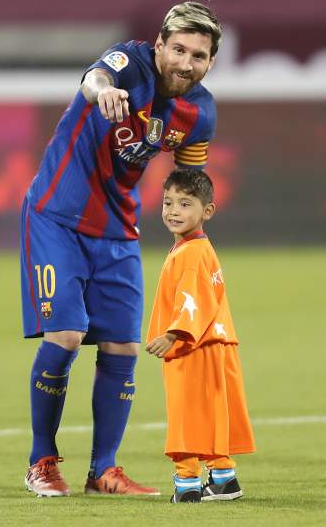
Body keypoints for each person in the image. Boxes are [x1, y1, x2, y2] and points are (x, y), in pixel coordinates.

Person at [20, 1, 221, 497]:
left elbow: (189, 183)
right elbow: (93, 79)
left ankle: (103, 471)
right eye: (178, 49)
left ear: (210, 62)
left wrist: (193, 246)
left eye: (199, 55)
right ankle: (40, 462)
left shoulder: (201, 113)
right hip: (57, 216)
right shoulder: (127, 64)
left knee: (124, 347)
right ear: (160, 45)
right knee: (66, 333)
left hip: (119, 229)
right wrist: (104, 92)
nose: (185, 62)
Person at [145, 168, 255, 503]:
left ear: (207, 211)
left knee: (187, 414)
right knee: (211, 414)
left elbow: (192, 299)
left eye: (185, 203)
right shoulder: (198, 247)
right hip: (216, 345)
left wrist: (174, 334)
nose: (174, 210)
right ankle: (223, 478)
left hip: (193, 346)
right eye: (168, 202)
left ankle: (187, 484)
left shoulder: (191, 253)